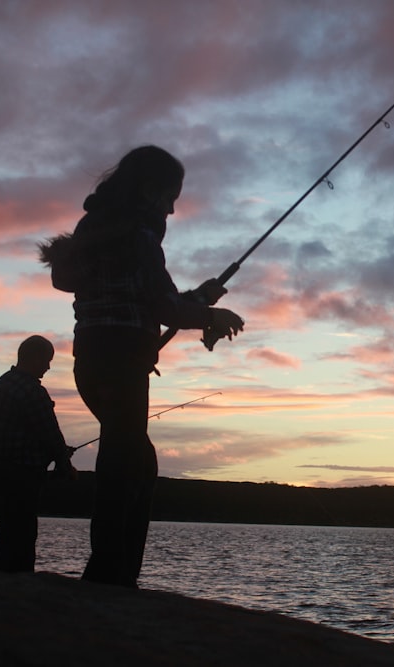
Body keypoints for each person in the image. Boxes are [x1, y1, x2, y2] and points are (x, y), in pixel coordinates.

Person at [40, 145, 244, 587]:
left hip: (91, 360)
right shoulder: (138, 236)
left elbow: (143, 296)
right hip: (121, 361)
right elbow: (162, 304)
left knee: (132, 460)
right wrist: (210, 316)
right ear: (150, 191)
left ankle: (112, 571)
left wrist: (202, 298)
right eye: (171, 195)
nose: (173, 207)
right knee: (125, 466)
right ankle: (110, 576)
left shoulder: (97, 227)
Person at [0, 334, 76, 573]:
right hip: (20, 474)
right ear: (33, 357)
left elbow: (27, 431)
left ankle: (0, 578)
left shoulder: (1, 384)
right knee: (22, 532)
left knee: (8, 529)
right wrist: (65, 464)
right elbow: (50, 433)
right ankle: (18, 582)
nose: (48, 366)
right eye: (46, 360)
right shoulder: (32, 390)